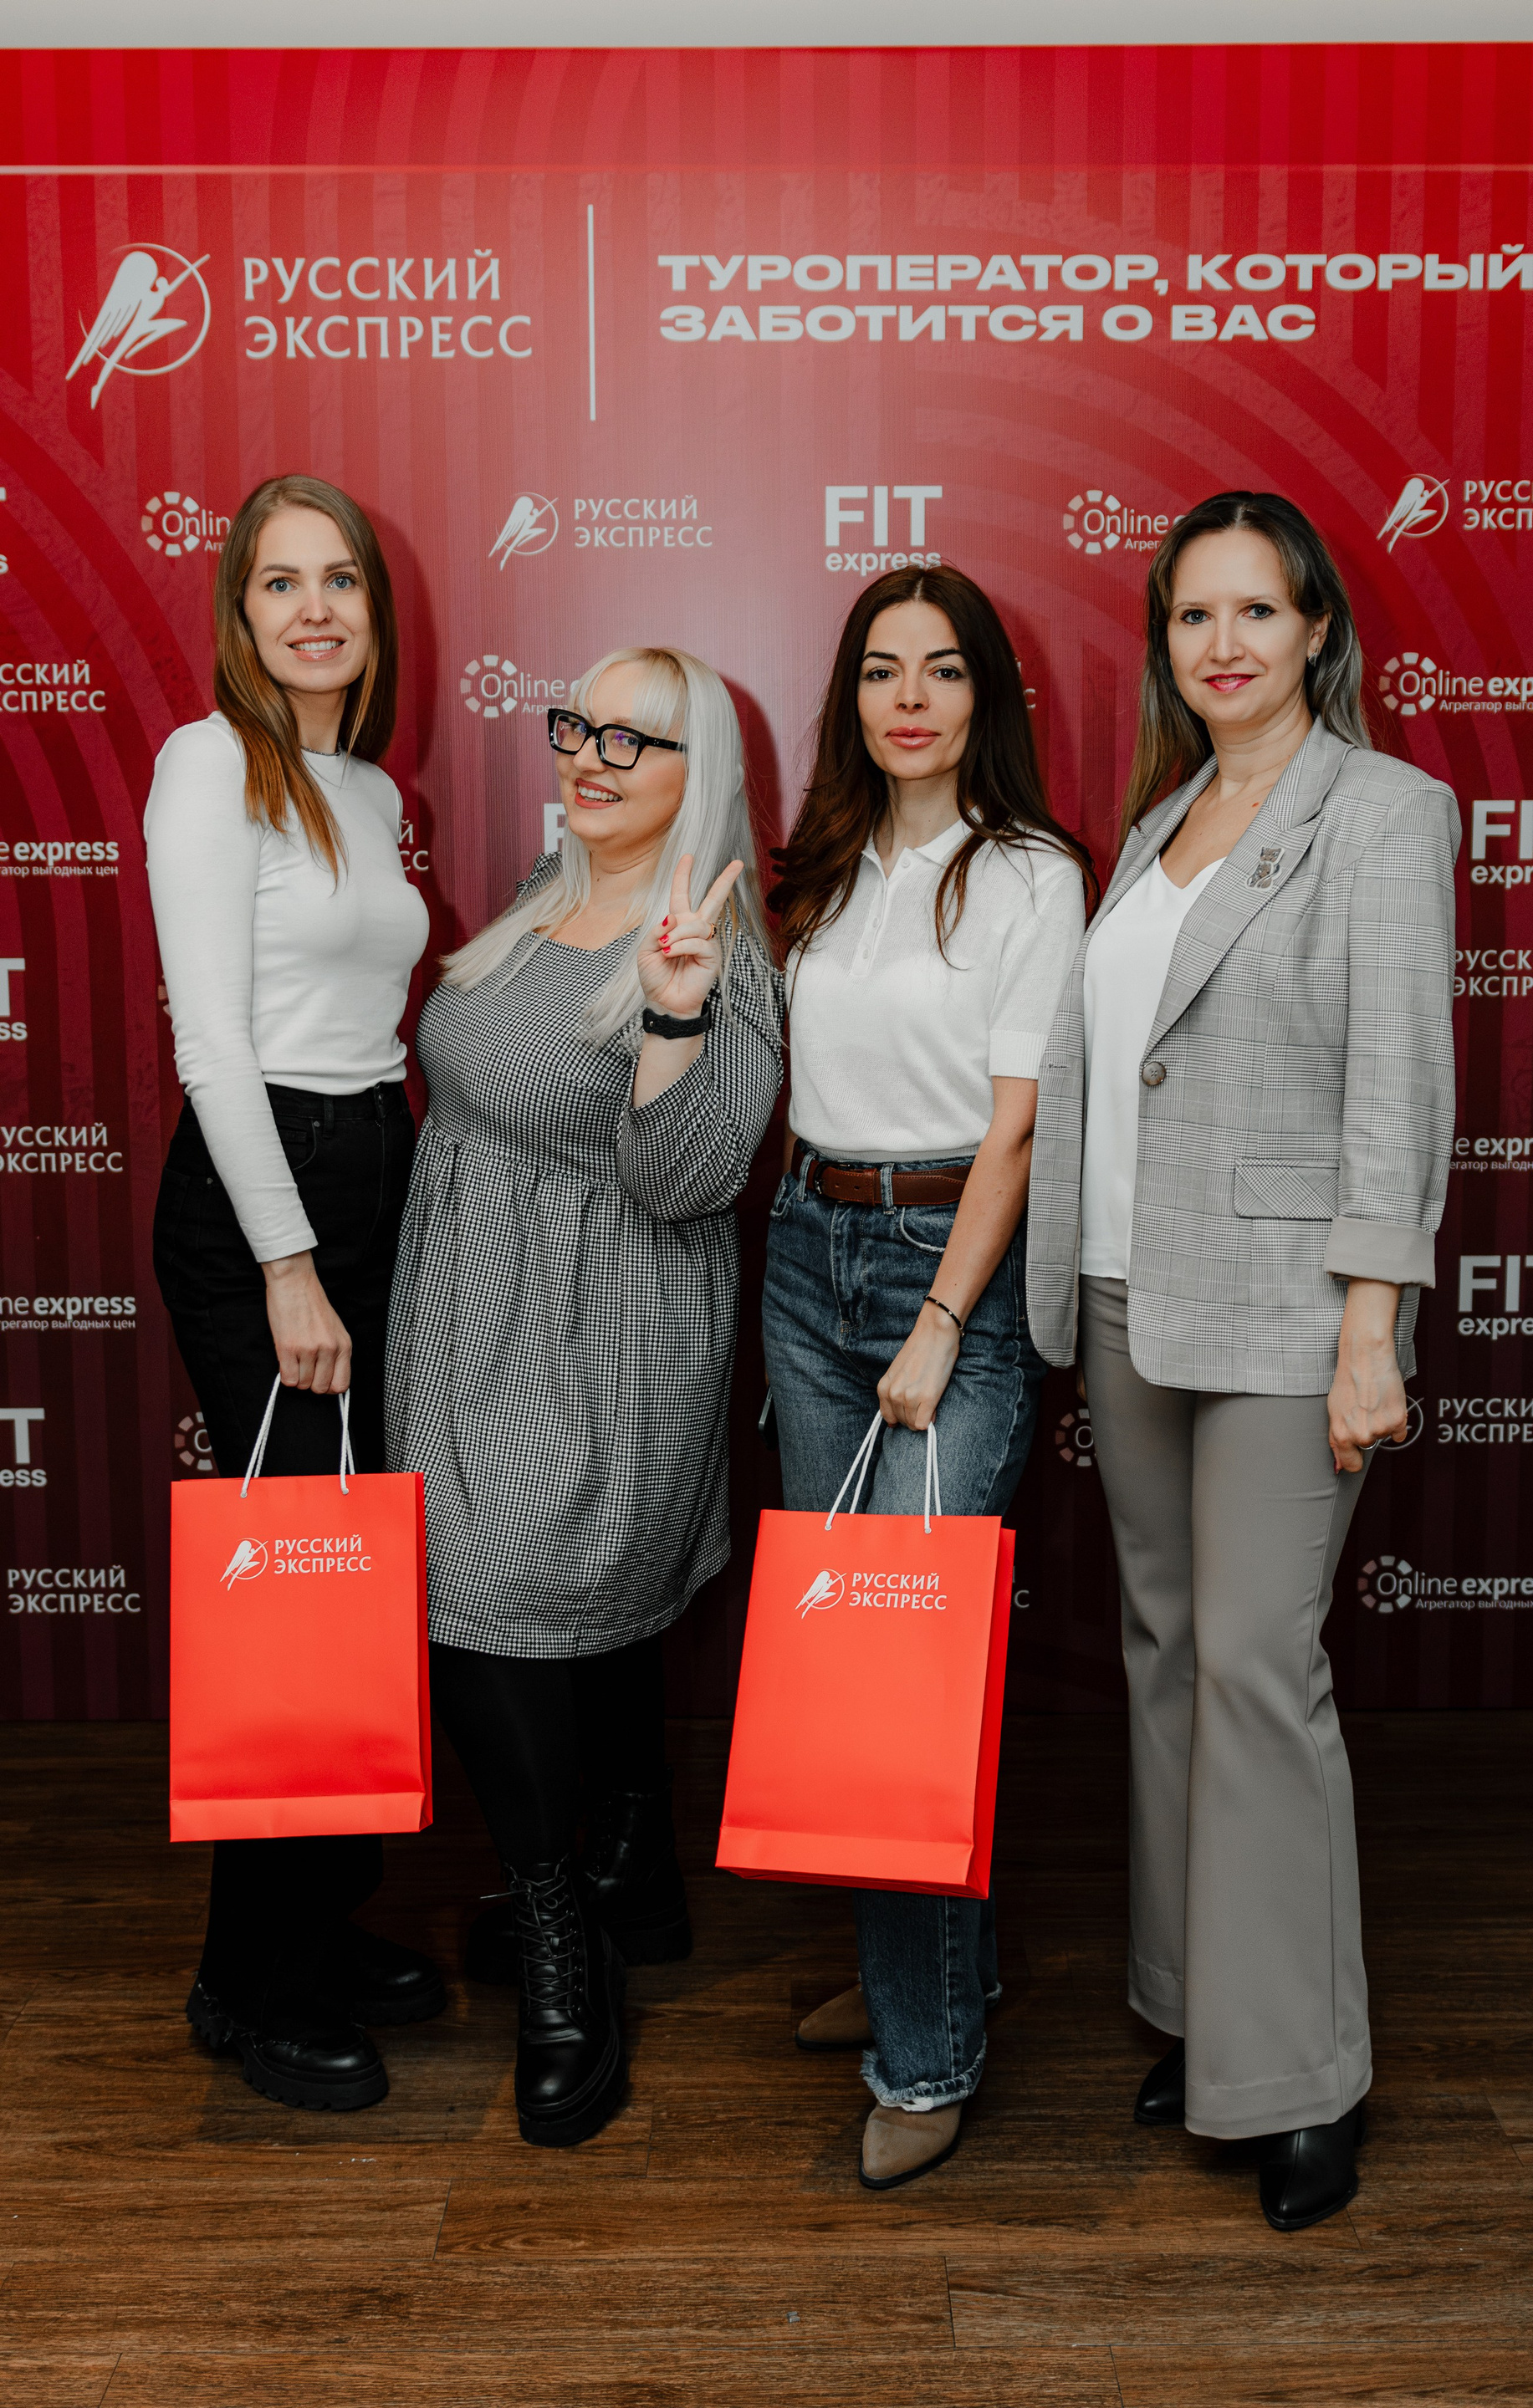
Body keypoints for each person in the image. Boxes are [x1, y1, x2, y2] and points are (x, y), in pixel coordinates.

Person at [1026, 490, 1459, 2232]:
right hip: (1130, 1293)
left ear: (1316, 631)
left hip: (1292, 1311)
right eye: (1193, 616)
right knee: (1166, 1654)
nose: (1222, 645)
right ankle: (1201, 2012)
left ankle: (1299, 2080)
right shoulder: (1160, 824)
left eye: (1256, 612)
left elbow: (1398, 1083)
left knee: (1260, 1671)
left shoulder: (1384, 810)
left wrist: (1372, 1324)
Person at [386, 647, 783, 2148]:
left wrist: (673, 1018)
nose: (593, 757)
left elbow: (690, 1183)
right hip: (462, 1317)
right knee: (518, 1604)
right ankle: (634, 1877)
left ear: (701, 773)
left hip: (601, 1336)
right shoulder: (538, 902)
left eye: (638, 740)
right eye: (581, 727)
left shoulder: (717, 949)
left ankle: (565, 1941)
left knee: (504, 1599)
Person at [763, 563, 1094, 2191]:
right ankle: (924, 1973)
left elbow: (1019, 1129)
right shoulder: (824, 866)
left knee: (913, 1670)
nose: (912, 698)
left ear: (986, 698)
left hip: (943, 1264)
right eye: (884, 669)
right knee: (853, 1658)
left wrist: (947, 1321)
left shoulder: (1032, 873)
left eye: (944, 669)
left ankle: (927, 2054)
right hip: (803, 1248)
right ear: (853, 697)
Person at [147, 473, 442, 2111]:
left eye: (341, 579)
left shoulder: (369, 785)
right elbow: (214, 1043)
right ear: (240, 612)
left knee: (345, 1584)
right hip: (266, 1195)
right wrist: (286, 1266)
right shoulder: (210, 766)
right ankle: (253, 1990)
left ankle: (301, 1926)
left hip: (375, 1165)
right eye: (281, 583)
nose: (316, 608)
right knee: (292, 1600)